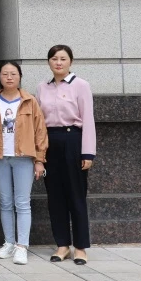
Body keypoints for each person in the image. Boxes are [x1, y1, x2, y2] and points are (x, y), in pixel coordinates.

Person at [38, 44, 96, 265]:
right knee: (55, 196)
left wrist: (87, 152)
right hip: (50, 141)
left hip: (73, 140)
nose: (58, 63)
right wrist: (39, 153)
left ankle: (80, 247)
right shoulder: (42, 87)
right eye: (54, 59)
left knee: (76, 195)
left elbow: (88, 119)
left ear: (70, 61)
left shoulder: (81, 85)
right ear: (49, 62)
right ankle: (62, 245)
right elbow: (38, 122)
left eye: (63, 59)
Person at [0, 61, 48, 266]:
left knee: (22, 202)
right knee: (5, 202)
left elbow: (40, 131)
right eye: (5, 74)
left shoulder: (30, 101)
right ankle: (8, 243)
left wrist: (39, 160)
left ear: (20, 76)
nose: (9, 77)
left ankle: (22, 246)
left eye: (13, 74)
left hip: (24, 157)